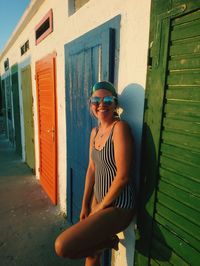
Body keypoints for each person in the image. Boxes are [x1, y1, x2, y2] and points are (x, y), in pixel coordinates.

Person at [55, 81, 136, 266]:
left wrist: (99, 208)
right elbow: (92, 169)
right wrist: (85, 205)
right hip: (99, 202)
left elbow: (123, 176)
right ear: (91, 104)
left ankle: (106, 243)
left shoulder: (120, 129)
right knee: (91, 257)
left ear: (115, 104)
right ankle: (103, 245)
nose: (102, 104)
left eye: (108, 99)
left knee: (62, 246)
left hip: (119, 206)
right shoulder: (95, 132)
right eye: (96, 100)